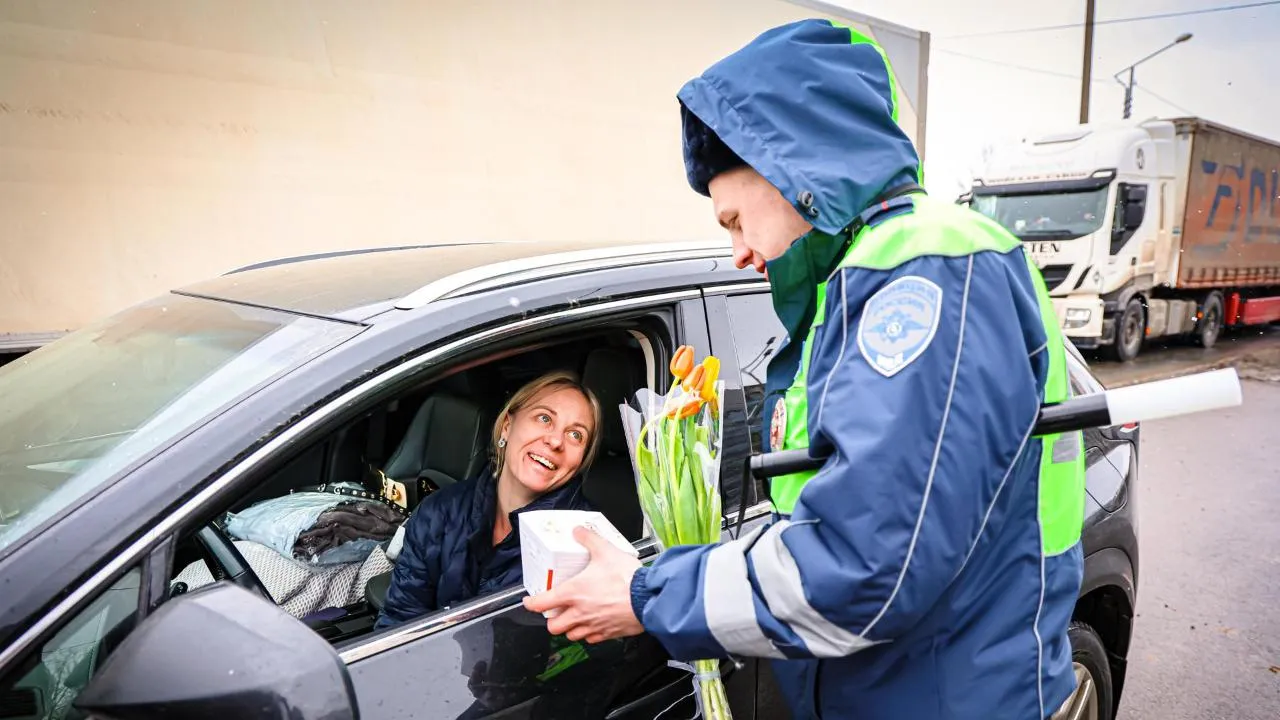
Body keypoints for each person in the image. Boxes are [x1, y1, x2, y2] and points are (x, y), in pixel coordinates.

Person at [523, 18, 1087, 720]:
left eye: (734, 219)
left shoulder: (922, 270)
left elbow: (862, 568)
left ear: (792, 170)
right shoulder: (851, 285)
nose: (737, 251)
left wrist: (645, 593)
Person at [376, 370, 602, 629]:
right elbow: (399, 623)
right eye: (544, 418)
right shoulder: (438, 511)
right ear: (507, 426)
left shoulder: (588, 547)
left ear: (581, 460)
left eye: (576, 435)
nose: (555, 441)